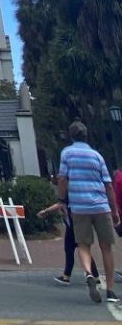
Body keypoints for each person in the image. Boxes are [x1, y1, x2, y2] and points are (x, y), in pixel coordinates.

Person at [57, 120, 119, 303]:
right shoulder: (97, 156)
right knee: (106, 247)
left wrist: (61, 200)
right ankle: (110, 290)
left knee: (83, 245)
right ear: (86, 135)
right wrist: (114, 210)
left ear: (71, 136)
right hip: (100, 205)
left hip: (79, 206)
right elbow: (108, 185)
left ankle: (89, 274)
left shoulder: (67, 153)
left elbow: (62, 179)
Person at [38, 200, 100, 286]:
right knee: (75, 251)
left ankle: (67, 276)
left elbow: (59, 204)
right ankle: (94, 276)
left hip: (75, 229)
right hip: (72, 229)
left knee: (76, 251)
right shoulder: (67, 208)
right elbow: (59, 205)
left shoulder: (68, 205)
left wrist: (45, 211)